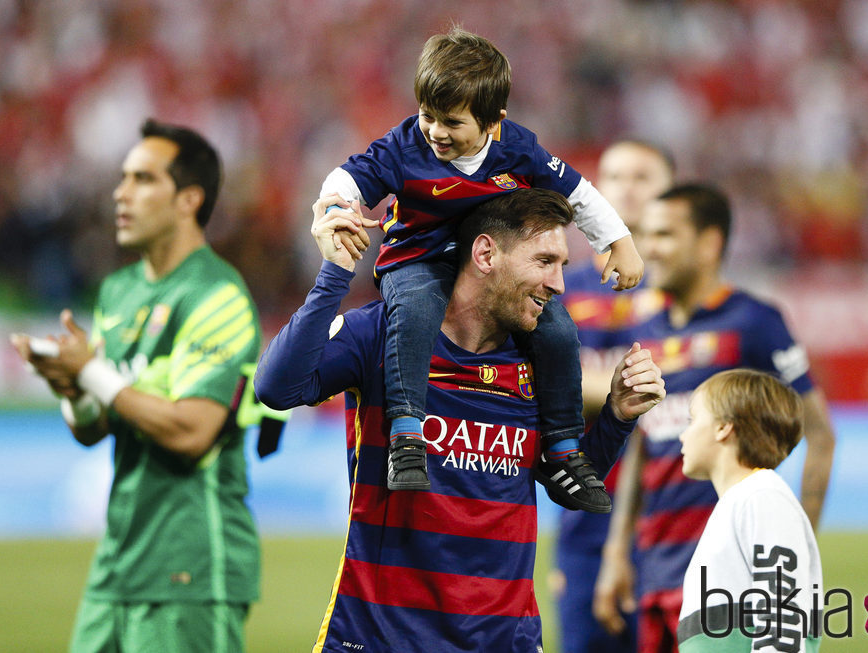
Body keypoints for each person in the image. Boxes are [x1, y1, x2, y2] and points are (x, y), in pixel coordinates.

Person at [254, 188, 665, 653]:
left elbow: (563, 483)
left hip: (505, 639)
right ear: (486, 253)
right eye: (545, 261)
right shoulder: (383, 333)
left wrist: (616, 416)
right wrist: (334, 275)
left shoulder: (539, 361)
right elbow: (276, 387)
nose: (558, 285)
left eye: (562, 266)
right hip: (383, 637)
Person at [319, 26, 643, 510]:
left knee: (556, 332)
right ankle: (407, 433)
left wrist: (618, 241)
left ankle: (561, 448)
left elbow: (578, 193)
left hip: (491, 272)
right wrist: (333, 208)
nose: (435, 132)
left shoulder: (518, 148)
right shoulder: (404, 145)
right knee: (415, 313)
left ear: (494, 122)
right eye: (427, 115)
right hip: (417, 259)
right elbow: (349, 177)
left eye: (451, 122)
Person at [11, 119, 262, 652]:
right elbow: (93, 428)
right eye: (123, 177)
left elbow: (192, 430)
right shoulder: (118, 292)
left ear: (188, 199)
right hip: (118, 563)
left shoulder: (217, 296)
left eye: (143, 179)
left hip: (191, 569)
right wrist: (73, 390)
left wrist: (90, 373)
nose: (120, 193)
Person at [592, 183, 836, 653]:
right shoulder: (646, 328)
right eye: (645, 234)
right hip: (655, 565)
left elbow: (821, 435)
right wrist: (616, 552)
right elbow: (643, 444)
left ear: (709, 243)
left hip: (730, 571)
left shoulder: (755, 322)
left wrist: (795, 545)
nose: (650, 248)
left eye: (665, 235)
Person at [553, 139, 676, 653]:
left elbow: (686, 392)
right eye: (615, 176)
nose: (626, 187)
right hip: (586, 514)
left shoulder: (690, 294)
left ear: (672, 193)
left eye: (642, 176)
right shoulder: (559, 284)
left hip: (672, 516)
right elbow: (535, 384)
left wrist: (582, 383)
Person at [676, 369, 823, 652]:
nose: (683, 435)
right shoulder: (741, 502)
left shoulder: (763, 497)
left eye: (693, 421)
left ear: (723, 427)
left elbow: (782, 616)